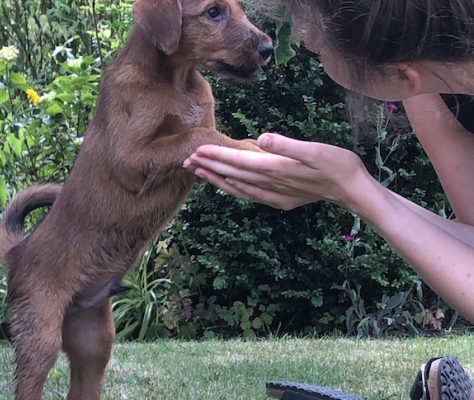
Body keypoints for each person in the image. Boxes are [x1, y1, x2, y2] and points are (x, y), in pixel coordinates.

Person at [182, 1, 474, 399]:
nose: (300, 43)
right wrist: (353, 186)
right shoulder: (433, 85)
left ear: (402, 74)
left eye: (316, 49)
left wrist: (357, 191)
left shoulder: (420, 69)